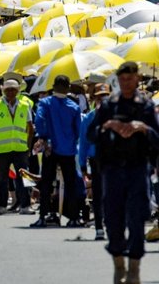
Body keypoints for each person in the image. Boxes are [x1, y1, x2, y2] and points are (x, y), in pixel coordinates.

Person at [87, 62, 159, 284]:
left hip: (138, 169)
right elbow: (91, 134)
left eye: (130, 78)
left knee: (137, 218)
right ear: (118, 80)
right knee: (113, 218)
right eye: (122, 79)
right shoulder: (109, 105)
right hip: (112, 169)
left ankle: (134, 267)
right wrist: (109, 125)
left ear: (137, 79)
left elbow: (157, 139)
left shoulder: (145, 107)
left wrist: (142, 128)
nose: (126, 82)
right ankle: (119, 262)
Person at [31, 75, 82, 228]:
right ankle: (73, 217)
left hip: (50, 149)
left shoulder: (45, 103)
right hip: (68, 150)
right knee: (70, 184)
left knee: (46, 183)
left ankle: (43, 216)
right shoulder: (74, 107)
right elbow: (78, 130)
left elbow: (39, 121)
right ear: (68, 88)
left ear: (53, 86)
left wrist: (44, 138)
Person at [0, 79, 34, 215]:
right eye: (8, 90)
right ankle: (2, 205)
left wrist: (28, 147)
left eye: (13, 89)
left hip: (20, 148)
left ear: (18, 91)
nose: (11, 92)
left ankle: (26, 205)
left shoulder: (25, 105)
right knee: (2, 179)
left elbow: (30, 128)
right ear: (3, 91)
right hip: (3, 149)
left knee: (24, 177)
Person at [78, 83, 110, 241]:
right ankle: (99, 227)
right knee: (98, 194)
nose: (102, 99)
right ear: (94, 98)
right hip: (96, 159)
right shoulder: (89, 118)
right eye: (99, 96)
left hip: (114, 160)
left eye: (105, 96)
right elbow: (83, 143)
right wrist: (82, 165)